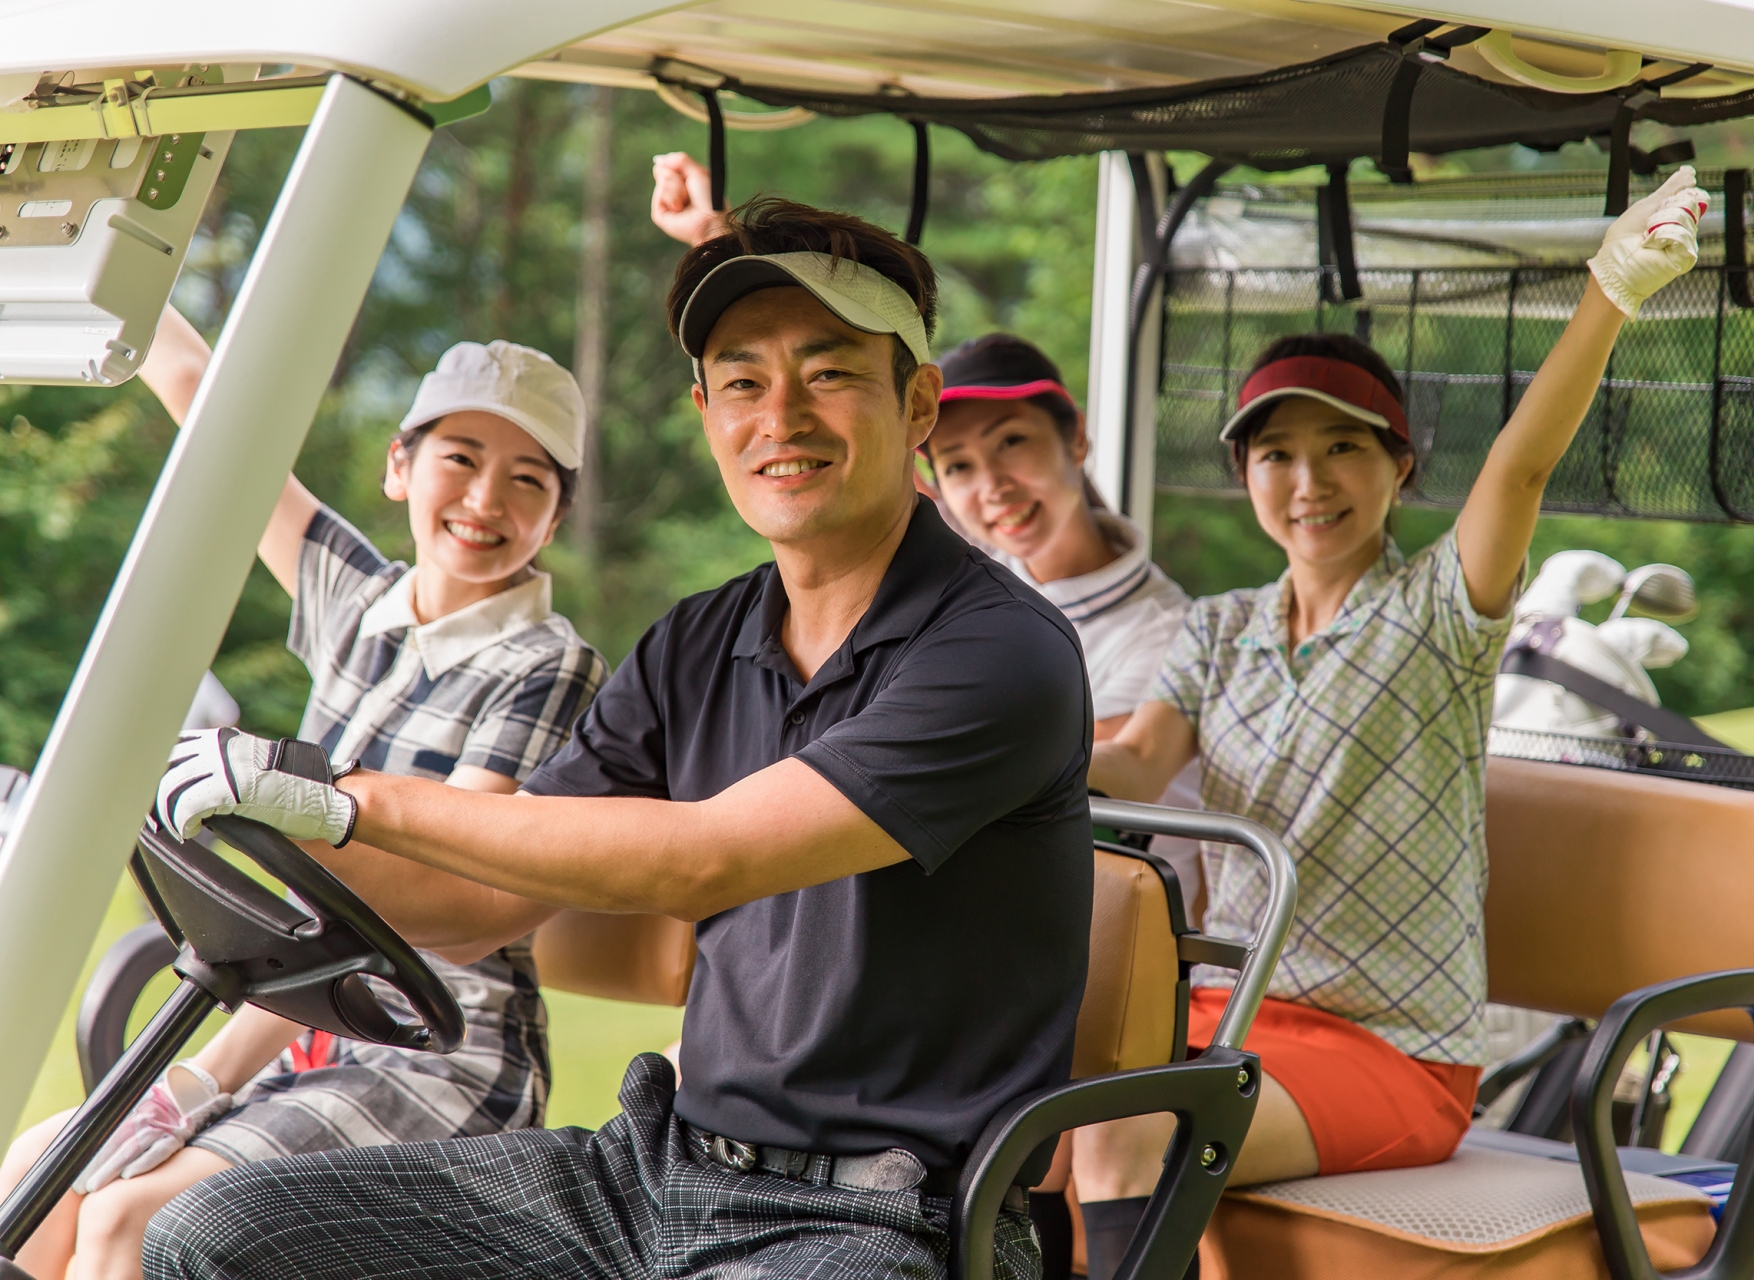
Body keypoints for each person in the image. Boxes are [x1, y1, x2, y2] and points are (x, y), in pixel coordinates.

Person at [143, 197, 1092, 1280]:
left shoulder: (1000, 652)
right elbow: (489, 895)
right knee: (214, 1234)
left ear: (918, 401)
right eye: (743, 381)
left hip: (889, 1216)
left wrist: (342, 796)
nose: (779, 417)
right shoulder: (697, 640)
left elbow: (709, 853)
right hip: (655, 1168)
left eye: (828, 373)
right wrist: (252, 847)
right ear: (705, 412)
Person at [1067, 170, 1710, 1280]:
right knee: (1006, 1095)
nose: (1309, 480)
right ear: (1244, 475)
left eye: (1344, 448)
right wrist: (972, 756)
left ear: (1400, 466)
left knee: (1129, 1133)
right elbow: (1132, 759)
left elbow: (1523, 464)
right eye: (1277, 453)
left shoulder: (1437, 614)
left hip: (1390, 1046)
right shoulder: (1219, 630)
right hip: (1223, 1011)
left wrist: (1609, 290)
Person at [0, 315, 607, 1280]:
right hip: (294, 1024)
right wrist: (119, 245)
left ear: (555, 516)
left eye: (528, 479)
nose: (487, 498)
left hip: (434, 1043)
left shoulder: (546, 665)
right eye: (461, 456)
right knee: (36, 1176)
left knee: (130, 1219)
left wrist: (205, 1075)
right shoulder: (357, 606)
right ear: (399, 468)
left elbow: (436, 901)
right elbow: (207, 398)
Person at [922, 333, 1198, 1278]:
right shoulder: (973, 604)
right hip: (1010, 957)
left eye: (1012, 445)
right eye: (958, 464)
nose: (989, 483)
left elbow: (1088, 782)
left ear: (1074, 442)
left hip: (1114, 970)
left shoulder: (1165, 632)